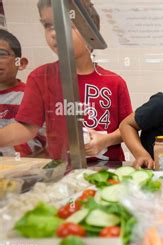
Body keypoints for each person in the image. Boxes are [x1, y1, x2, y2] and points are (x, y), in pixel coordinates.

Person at [0, 0, 133, 161]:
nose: (54, 33)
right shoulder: (40, 77)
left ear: (91, 31)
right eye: (48, 25)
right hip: (63, 172)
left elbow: (127, 128)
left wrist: (104, 140)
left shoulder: (114, 81)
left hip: (109, 171)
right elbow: (26, 127)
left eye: (67, 24)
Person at [0, 29, 46, 157]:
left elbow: (50, 142)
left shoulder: (33, 96)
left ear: (20, 63)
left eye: (1, 54)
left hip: (27, 170)